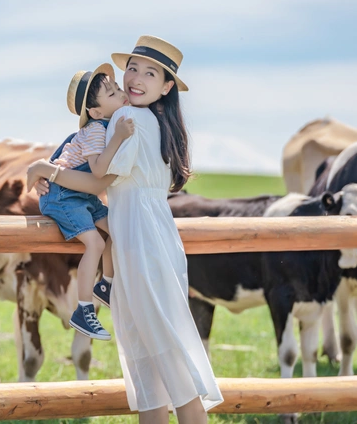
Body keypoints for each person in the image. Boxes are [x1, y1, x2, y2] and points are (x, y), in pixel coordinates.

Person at [27, 36, 223, 424]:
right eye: (132, 68)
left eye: (150, 73)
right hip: (152, 237)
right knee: (156, 352)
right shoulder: (159, 123)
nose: (135, 78)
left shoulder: (126, 120)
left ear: (166, 87)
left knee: (157, 356)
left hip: (138, 240)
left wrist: (45, 170)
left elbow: (99, 182)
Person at [41, 62, 135, 341]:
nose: (120, 92)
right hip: (63, 197)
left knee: (114, 228)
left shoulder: (104, 126)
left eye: (117, 87)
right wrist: (118, 137)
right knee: (94, 242)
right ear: (95, 111)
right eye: (111, 92)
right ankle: (83, 310)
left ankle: (105, 285)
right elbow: (96, 170)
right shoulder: (96, 129)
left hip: (83, 196)